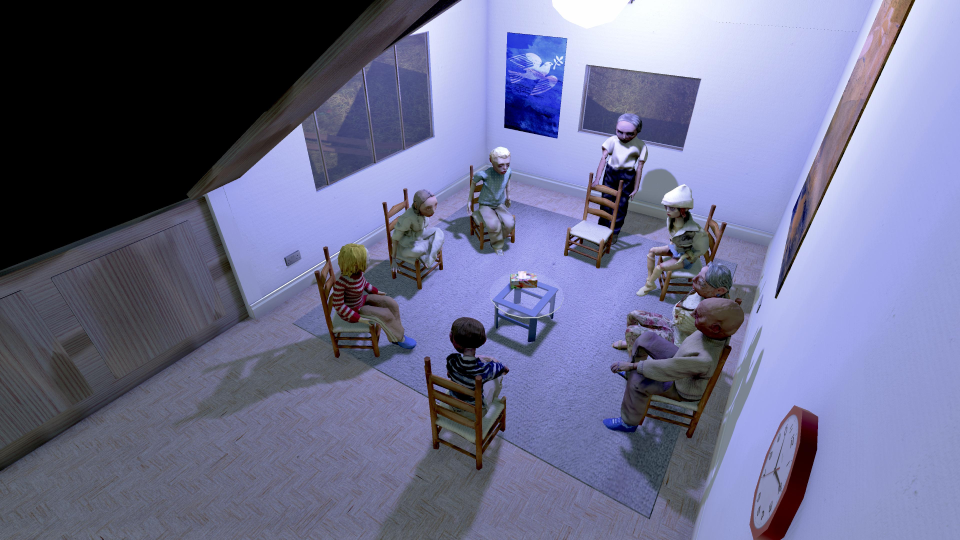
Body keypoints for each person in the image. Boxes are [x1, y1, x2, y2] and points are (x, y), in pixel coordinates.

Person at [603, 297, 745, 432]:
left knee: (637, 381)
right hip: (682, 361)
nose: (693, 314)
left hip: (681, 385)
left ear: (715, 328)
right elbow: (678, 363)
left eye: (698, 315)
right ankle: (631, 373)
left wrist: (634, 367)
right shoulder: (714, 333)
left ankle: (628, 422)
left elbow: (668, 368)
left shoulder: (705, 359)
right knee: (647, 338)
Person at [613, 263, 732, 349]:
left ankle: (633, 361)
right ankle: (632, 342)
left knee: (631, 331)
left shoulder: (712, 313)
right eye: (697, 275)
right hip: (675, 326)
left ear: (720, 290)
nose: (693, 279)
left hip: (678, 342)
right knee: (633, 314)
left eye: (701, 281)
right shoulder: (706, 293)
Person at [331, 243, 416, 349]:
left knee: (391, 303)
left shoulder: (358, 273)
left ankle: (397, 331)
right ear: (355, 264)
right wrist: (359, 318)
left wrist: (376, 291)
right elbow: (338, 305)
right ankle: (398, 338)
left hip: (360, 300)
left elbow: (365, 284)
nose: (369, 261)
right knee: (385, 315)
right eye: (366, 260)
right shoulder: (341, 283)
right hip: (353, 310)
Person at [636, 184, 710, 296]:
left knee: (660, 267)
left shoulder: (695, 231)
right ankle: (649, 279)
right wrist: (672, 243)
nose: (667, 211)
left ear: (683, 209)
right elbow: (674, 236)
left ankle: (649, 285)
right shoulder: (670, 220)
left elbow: (702, 248)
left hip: (685, 258)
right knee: (652, 251)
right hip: (675, 248)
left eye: (672, 208)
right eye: (666, 207)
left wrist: (688, 255)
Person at [593, 113, 647, 244]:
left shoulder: (641, 146)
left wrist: (636, 188)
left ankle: (614, 232)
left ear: (637, 131)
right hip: (611, 173)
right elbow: (603, 159)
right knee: (605, 201)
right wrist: (597, 179)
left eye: (630, 134)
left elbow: (639, 168)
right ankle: (602, 227)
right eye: (620, 132)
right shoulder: (612, 141)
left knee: (621, 206)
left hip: (627, 176)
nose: (624, 137)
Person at [445, 317, 509, 410]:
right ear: (483, 341)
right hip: (475, 411)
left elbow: (449, 374)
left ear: (451, 338)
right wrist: (497, 364)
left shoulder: (452, 361)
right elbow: (505, 370)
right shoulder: (486, 369)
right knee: (498, 377)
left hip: (453, 404)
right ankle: (493, 401)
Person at [471, 147, 515, 256]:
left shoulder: (508, 171)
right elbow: (473, 183)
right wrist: (469, 201)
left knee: (510, 223)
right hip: (486, 204)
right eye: (500, 165)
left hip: (499, 203)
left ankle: (497, 237)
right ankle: (497, 245)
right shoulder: (485, 174)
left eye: (507, 164)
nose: (505, 168)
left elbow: (508, 183)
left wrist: (508, 196)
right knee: (494, 225)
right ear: (491, 161)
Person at [391, 189, 445, 271]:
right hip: (408, 245)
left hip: (420, 236)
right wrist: (393, 260)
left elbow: (424, 227)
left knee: (438, 231)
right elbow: (395, 238)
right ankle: (430, 248)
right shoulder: (407, 218)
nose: (433, 211)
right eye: (428, 208)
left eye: (435, 205)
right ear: (416, 206)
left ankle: (429, 257)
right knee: (421, 249)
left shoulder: (423, 212)